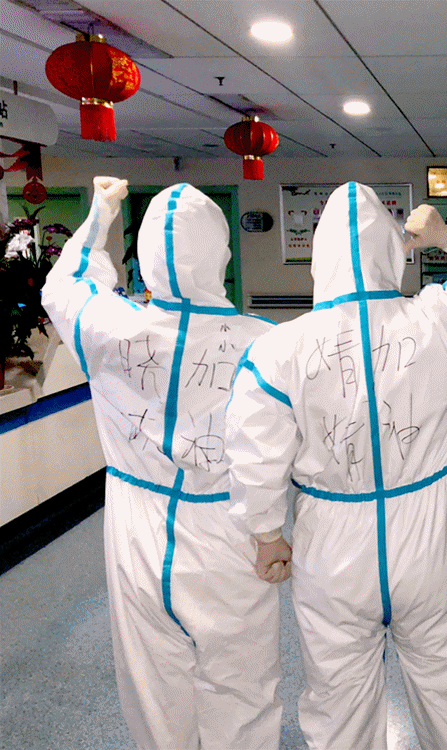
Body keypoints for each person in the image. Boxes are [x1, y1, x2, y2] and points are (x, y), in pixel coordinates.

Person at [224, 182, 447, 750]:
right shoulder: (443, 316)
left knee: (338, 707)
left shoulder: (278, 349)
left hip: (332, 543)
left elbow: (253, 450)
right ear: (392, 251)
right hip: (434, 533)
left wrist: (266, 533)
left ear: (319, 260)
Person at [41, 177, 283, 749]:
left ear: (145, 258)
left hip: (137, 528)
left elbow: (65, 283)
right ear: (222, 255)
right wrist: (272, 530)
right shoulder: (268, 343)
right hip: (231, 530)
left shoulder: (109, 327)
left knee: (153, 682)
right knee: (241, 682)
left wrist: (101, 212)